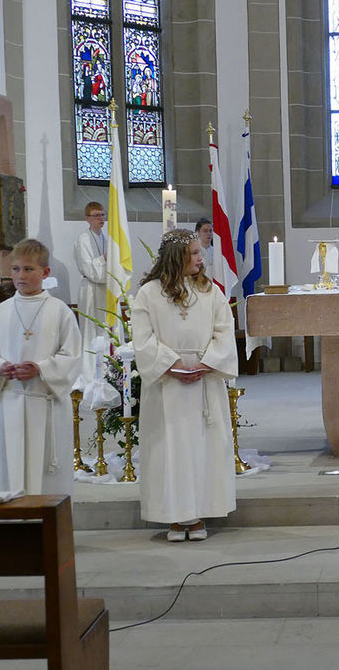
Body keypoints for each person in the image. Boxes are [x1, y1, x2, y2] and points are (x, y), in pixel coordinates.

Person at [131, 228, 238, 542]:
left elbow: (224, 330)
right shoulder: (149, 293)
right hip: (167, 383)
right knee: (170, 451)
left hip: (204, 382)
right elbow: (143, 338)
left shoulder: (210, 291)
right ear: (176, 257)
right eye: (193, 252)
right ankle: (175, 518)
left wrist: (207, 363)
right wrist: (171, 364)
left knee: (201, 449)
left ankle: (199, 514)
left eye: (198, 252)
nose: (199, 257)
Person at [0, 239, 81, 494]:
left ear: (45, 272)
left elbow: (72, 355)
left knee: (47, 473)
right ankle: (17, 525)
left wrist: (41, 368)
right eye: (16, 269)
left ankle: (50, 528)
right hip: (9, 401)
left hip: (46, 401)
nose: (21, 276)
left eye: (29, 269)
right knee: (12, 469)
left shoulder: (60, 312)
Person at [74, 201, 107, 378]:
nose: (101, 218)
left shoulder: (104, 237)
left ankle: (104, 369)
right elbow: (87, 267)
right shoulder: (84, 239)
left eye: (102, 215)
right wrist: (104, 258)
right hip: (90, 290)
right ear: (87, 218)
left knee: (103, 329)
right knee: (90, 331)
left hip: (103, 289)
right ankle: (88, 373)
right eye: (96, 215)